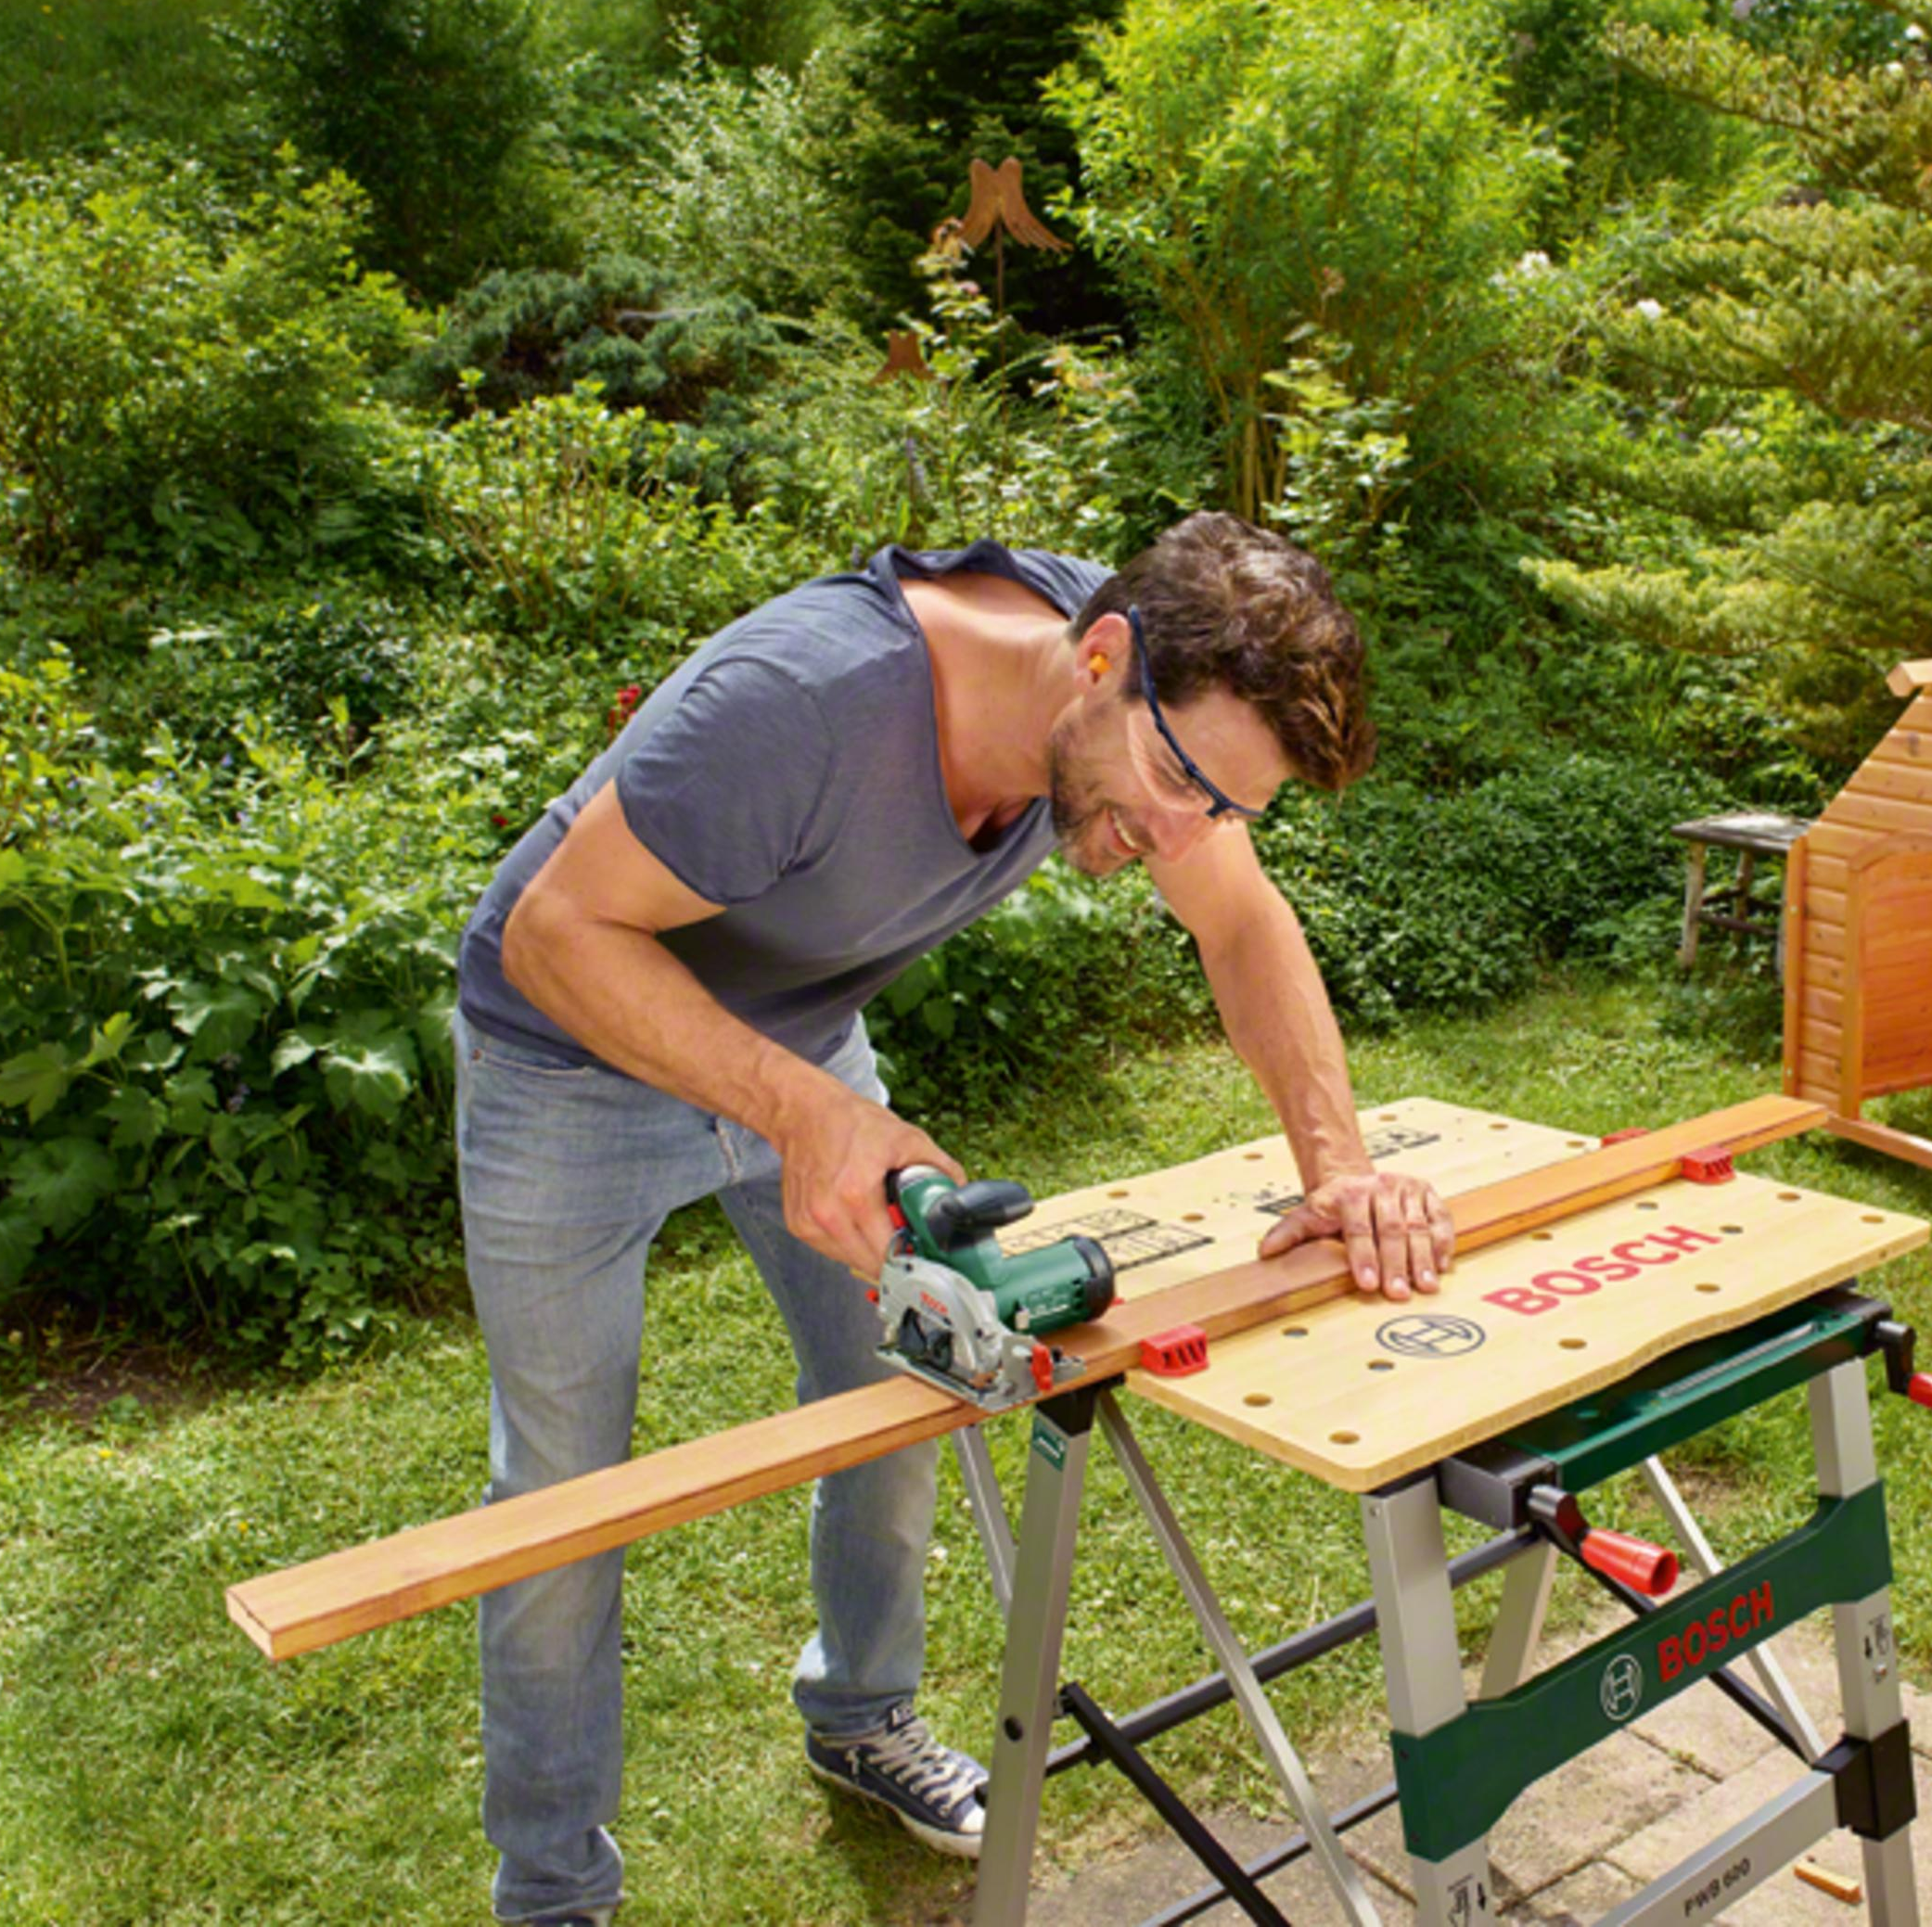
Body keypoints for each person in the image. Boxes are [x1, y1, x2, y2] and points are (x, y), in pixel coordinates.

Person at [450, 513, 1455, 1927]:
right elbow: (559, 934)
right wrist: (803, 1116)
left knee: (903, 1372)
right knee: (564, 1496)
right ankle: (554, 1892)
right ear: (1100, 659)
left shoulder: (1137, 715)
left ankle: (859, 1716)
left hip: (801, 1043)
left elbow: (1240, 925)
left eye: (1223, 810)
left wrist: (1337, 1166)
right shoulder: (800, 705)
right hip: (565, 1054)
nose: (1176, 837)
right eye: (1178, 785)